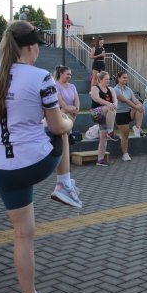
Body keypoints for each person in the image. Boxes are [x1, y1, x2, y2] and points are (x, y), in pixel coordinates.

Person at [0, 20, 73, 293]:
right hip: (36, 162)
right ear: (31, 47)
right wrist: (68, 122)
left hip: (2, 168)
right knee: (62, 132)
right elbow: (56, 126)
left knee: (22, 235)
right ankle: (65, 184)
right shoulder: (41, 76)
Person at [51, 65, 82, 207]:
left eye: (70, 74)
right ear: (61, 74)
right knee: (64, 138)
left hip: (72, 113)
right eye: (67, 74)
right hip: (62, 113)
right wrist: (68, 109)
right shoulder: (56, 85)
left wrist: (77, 108)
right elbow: (60, 102)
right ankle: (64, 173)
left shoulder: (72, 86)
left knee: (66, 140)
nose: (69, 76)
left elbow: (77, 99)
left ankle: (65, 172)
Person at [90, 71, 119, 166]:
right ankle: (110, 131)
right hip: (96, 113)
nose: (108, 81)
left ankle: (100, 160)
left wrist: (114, 105)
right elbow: (96, 99)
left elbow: (115, 100)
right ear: (100, 80)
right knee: (110, 107)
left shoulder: (111, 89)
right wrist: (109, 104)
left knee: (103, 137)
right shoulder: (95, 88)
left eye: (109, 79)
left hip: (106, 116)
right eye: (106, 79)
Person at [114, 71, 145, 161]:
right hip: (120, 114)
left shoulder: (128, 89)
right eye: (124, 77)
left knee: (139, 106)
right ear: (118, 78)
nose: (126, 79)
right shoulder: (116, 89)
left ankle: (137, 127)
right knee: (125, 135)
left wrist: (141, 106)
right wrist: (137, 107)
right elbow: (125, 100)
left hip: (129, 112)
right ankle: (125, 154)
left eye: (126, 78)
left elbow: (134, 99)